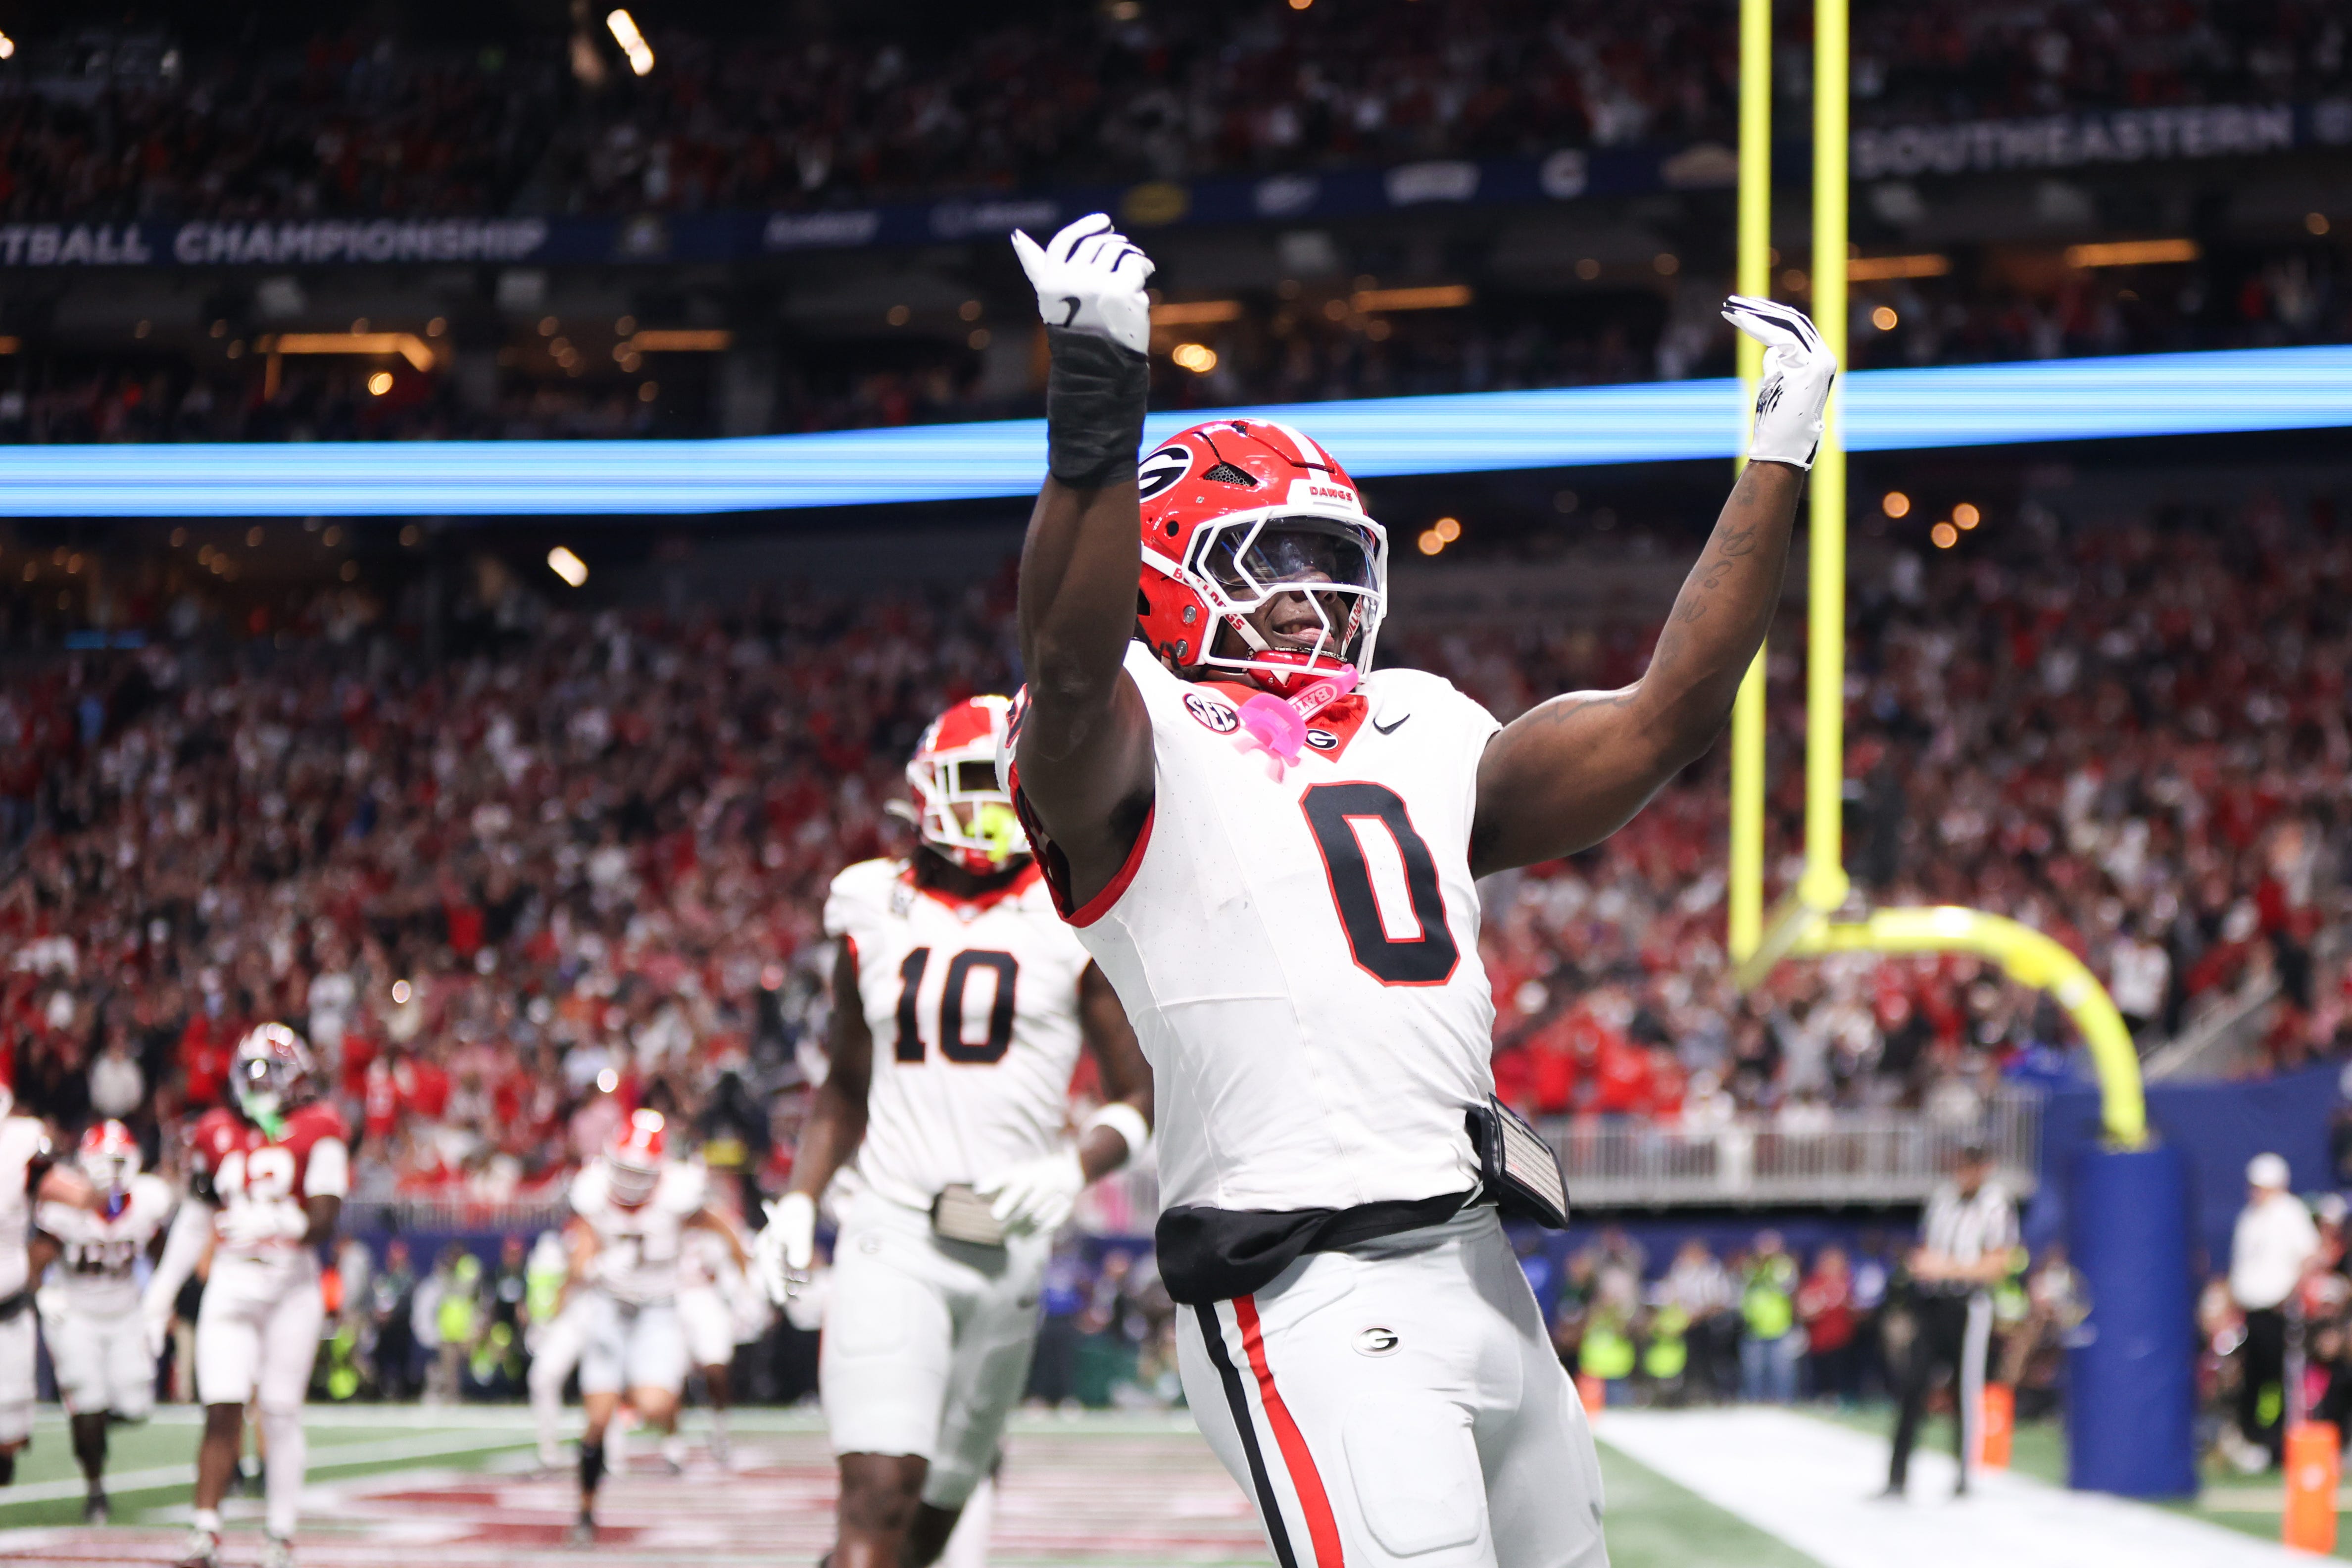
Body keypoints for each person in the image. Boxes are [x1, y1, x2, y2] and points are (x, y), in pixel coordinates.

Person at [998, 212, 1833, 1567]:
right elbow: (1075, 657)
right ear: (1167, 569)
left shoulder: (1421, 723)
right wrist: (1098, 393)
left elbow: (1665, 718)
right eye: (1275, 563)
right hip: (1306, 1285)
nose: (1319, 599)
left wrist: (1778, 455)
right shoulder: (1131, 731)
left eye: (1339, 565)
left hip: (1483, 1269)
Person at [755, 695, 1156, 1568]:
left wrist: (1074, 1165)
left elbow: (1142, 1090)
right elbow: (846, 1083)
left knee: (928, 1526)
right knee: (875, 1506)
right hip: (893, 1227)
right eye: (973, 786)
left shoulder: (1069, 913)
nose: (991, 808)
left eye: (1005, 787)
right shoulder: (870, 904)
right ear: (924, 792)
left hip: (1009, 1246)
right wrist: (796, 1203)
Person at [142, 1023, 350, 1568]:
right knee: (221, 1406)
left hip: (291, 1284)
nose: (260, 1082)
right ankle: (206, 1530)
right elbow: (194, 1218)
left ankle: (280, 1535)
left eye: (271, 1071)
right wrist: (161, 1293)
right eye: (252, 1071)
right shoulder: (215, 1129)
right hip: (233, 1279)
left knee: (280, 1411)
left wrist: (283, 1220)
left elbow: (326, 1216)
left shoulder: (320, 1125)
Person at [565, 1108, 747, 1544]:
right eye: (623, 1166)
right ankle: (586, 1511)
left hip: (659, 1308)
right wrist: (591, 1270)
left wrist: (744, 1274)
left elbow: (722, 1226)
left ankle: (629, 1392)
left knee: (654, 1404)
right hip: (610, 1306)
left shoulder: (677, 1195)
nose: (628, 1178)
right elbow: (582, 1251)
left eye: (637, 1169)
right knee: (596, 1421)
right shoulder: (592, 1192)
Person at [39, 1119, 176, 1522]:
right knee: (89, 1400)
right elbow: (39, 1254)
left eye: (119, 1161)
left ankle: (91, 1420)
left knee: (136, 1404)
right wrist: (43, 1292)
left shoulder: (150, 1199)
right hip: (77, 1313)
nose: (112, 1170)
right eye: (104, 1161)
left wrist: (158, 1302)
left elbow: (160, 1253)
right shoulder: (62, 1203)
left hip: (126, 1312)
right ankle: (95, 1485)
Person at [1886, 1142, 2018, 1499]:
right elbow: (1928, 1250)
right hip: (1932, 1303)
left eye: (1972, 1164)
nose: (1965, 1172)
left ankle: (1963, 1476)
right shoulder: (1942, 1199)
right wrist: (1924, 1267)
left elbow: (1998, 1265)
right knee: (1913, 1385)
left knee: (1965, 1389)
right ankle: (1896, 1477)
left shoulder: (1996, 1204)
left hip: (1969, 1306)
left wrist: (1950, 1268)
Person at [2227, 1151, 2320, 1470]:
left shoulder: (2290, 1213)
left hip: (2278, 1311)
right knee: (2251, 1376)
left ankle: (2276, 1441)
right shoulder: (2250, 1216)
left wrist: (2290, 1294)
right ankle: (2252, 1438)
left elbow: (2309, 1257)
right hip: (2251, 1310)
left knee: (2277, 1378)